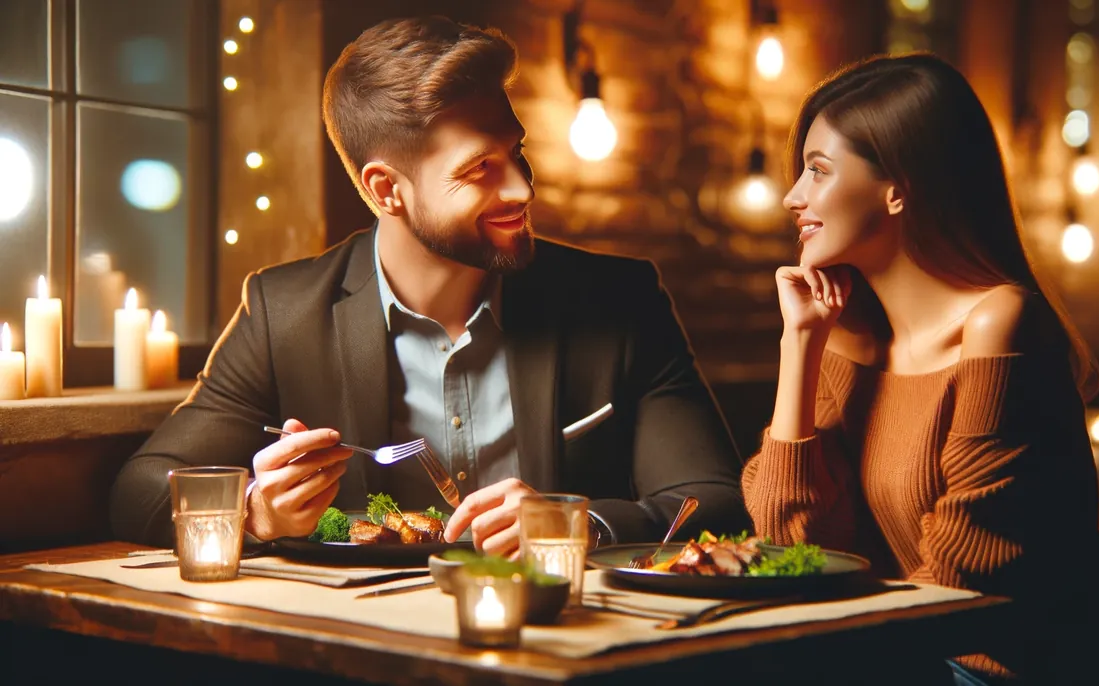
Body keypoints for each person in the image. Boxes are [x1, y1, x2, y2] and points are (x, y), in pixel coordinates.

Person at [109, 15, 750, 556]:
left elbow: (715, 499)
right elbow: (140, 489)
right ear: (387, 189)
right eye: (479, 169)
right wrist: (253, 512)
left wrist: (575, 523)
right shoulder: (285, 311)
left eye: (516, 154)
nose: (523, 189)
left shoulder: (620, 300)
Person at [740, 53, 1099, 684]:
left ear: (897, 187)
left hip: (1002, 667)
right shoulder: (849, 334)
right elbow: (791, 544)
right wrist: (801, 344)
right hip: (900, 651)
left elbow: (963, 577)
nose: (793, 197)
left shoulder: (1001, 324)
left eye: (818, 172)